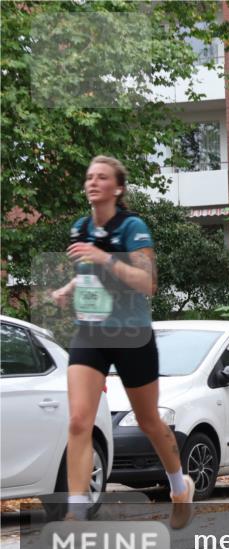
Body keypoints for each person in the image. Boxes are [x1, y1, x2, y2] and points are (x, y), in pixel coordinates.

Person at [50, 156, 194, 528]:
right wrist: (69, 287)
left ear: (118, 188)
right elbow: (91, 274)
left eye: (102, 177)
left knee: (148, 421)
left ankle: (180, 487)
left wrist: (103, 256)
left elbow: (147, 283)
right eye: (89, 177)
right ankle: (76, 511)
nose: (92, 182)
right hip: (91, 332)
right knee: (79, 420)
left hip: (131, 334)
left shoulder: (133, 227)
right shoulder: (80, 228)